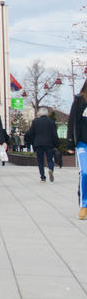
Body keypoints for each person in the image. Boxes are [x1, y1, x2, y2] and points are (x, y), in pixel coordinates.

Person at [67, 79, 87, 219]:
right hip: (83, 143)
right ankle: (84, 205)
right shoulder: (79, 100)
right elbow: (72, 122)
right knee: (85, 172)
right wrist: (70, 143)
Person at [26, 106, 60, 183]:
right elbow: (55, 134)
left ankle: (43, 177)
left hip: (38, 144)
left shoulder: (35, 121)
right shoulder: (51, 121)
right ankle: (50, 169)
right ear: (47, 114)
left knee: (40, 161)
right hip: (49, 143)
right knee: (50, 159)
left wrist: (31, 142)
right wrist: (56, 145)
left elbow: (30, 133)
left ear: (39, 113)